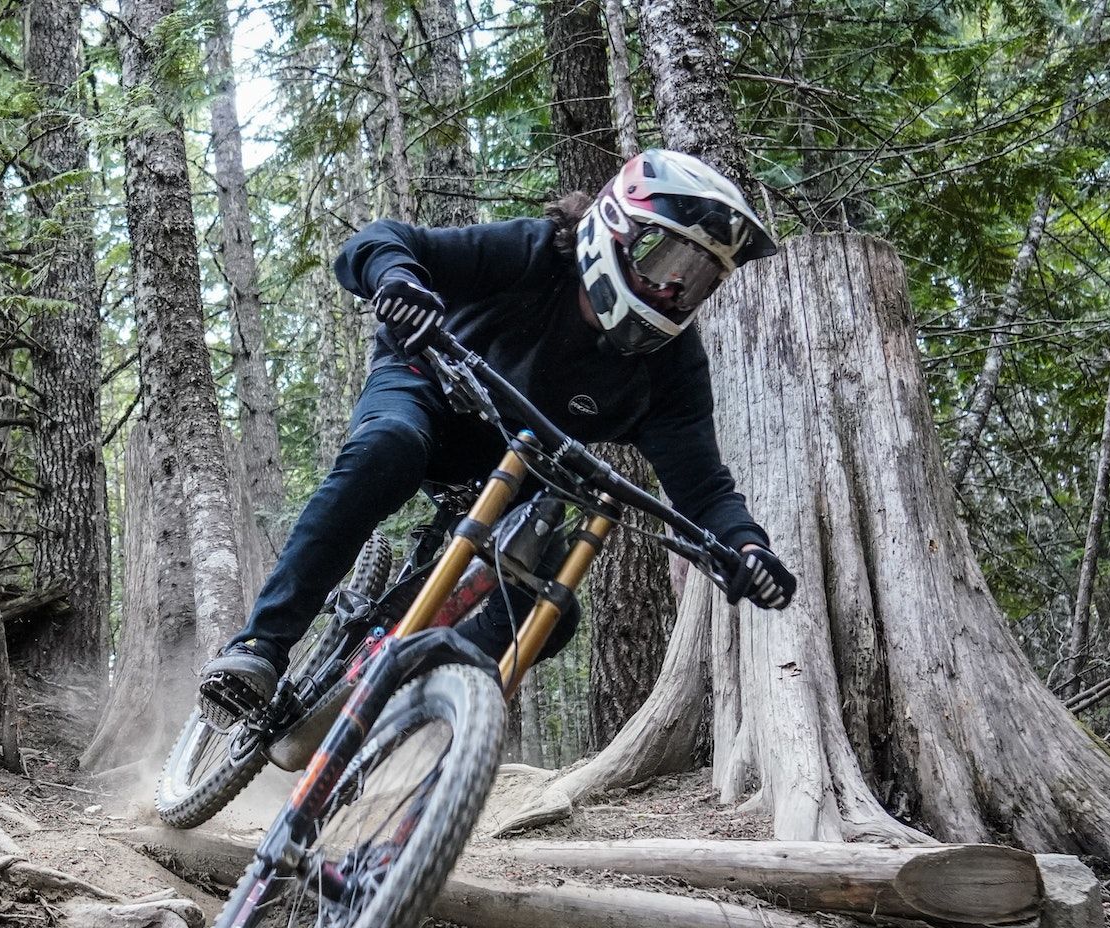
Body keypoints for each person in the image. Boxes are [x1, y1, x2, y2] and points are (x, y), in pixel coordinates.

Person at [198, 149, 797, 728]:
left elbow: (703, 487)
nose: (672, 289)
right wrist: (400, 281)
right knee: (389, 450)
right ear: (615, 227)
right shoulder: (534, 253)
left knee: (550, 607)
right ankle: (261, 646)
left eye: (695, 280)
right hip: (430, 387)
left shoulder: (671, 365)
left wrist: (744, 548)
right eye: (663, 258)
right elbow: (380, 241)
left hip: (517, 465)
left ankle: (393, 717)